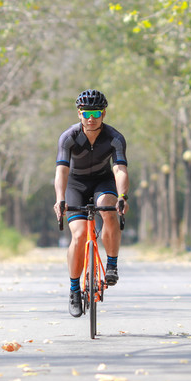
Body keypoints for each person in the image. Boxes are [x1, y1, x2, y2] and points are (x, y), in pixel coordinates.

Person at [53, 89, 130, 317]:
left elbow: (120, 169)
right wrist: (60, 200)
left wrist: (123, 196)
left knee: (108, 206)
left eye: (96, 112)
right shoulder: (68, 137)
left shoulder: (114, 138)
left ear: (104, 114)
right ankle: (74, 290)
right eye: (86, 113)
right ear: (79, 114)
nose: (91, 118)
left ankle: (112, 265)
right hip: (75, 185)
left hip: (102, 181)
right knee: (78, 236)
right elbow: (62, 171)